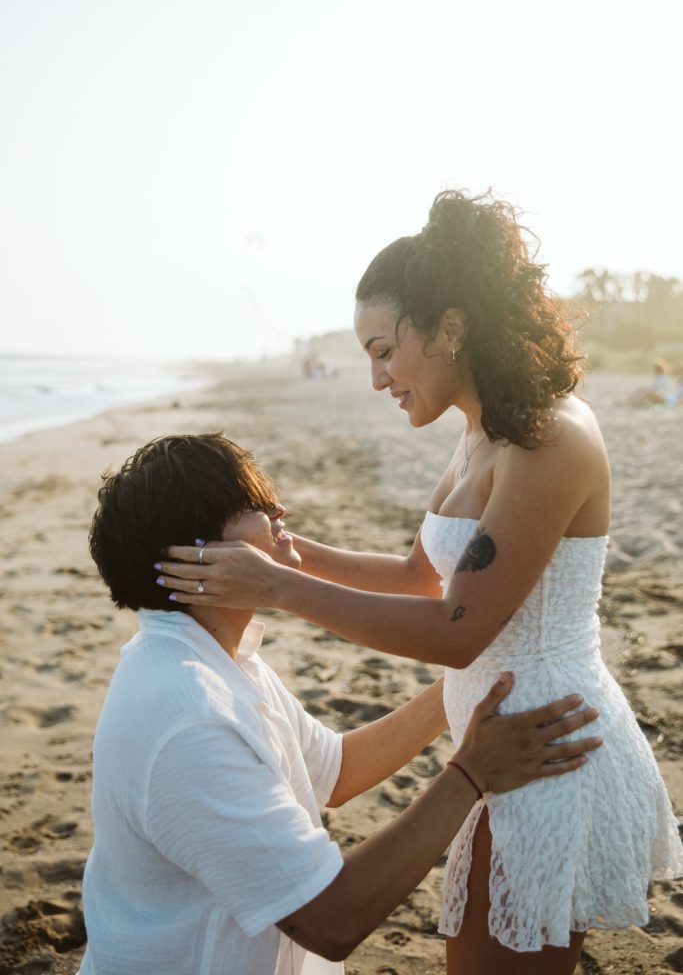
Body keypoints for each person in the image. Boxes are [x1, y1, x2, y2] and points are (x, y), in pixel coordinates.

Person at [157, 192, 683, 975]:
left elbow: (457, 629)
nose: (375, 378)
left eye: (382, 350)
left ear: (450, 328)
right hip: (499, 739)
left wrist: (277, 589)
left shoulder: (548, 439)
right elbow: (417, 575)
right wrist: (295, 556)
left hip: (544, 748)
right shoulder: (478, 431)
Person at [80, 432, 601, 975]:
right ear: (196, 557)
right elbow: (331, 920)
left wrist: (468, 686)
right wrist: (471, 772)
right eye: (251, 507)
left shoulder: (213, 656)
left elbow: (335, 771)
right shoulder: (187, 711)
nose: (279, 510)